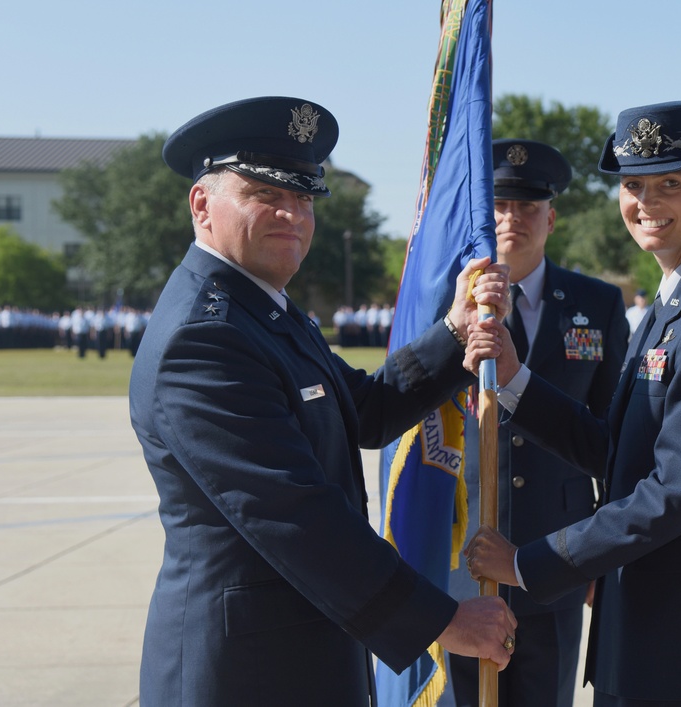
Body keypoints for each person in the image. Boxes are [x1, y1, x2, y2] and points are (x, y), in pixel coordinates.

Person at [129, 96, 517, 706]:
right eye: (265, 193)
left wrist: (455, 334)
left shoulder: (262, 313)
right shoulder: (204, 338)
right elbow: (294, 515)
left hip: (301, 648)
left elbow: (364, 408)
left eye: (305, 197)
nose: (292, 213)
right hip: (245, 672)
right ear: (202, 205)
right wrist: (441, 620)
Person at [463, 101, 681, 706]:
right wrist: (515, 379)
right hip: (651, 624)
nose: (645, 203)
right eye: (633, 184)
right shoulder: (676, 303)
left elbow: (678, 486)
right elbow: (618, 452)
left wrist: (529, 562)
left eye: (671, 184)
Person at [445, 139, 628, 707]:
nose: (512, 219)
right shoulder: (447, 306)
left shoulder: (597, 304)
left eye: (528, 207)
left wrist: (601, 549)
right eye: (499, 205)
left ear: (551, 217)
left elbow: (612, 437)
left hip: (559, 549)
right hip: (463, 549)